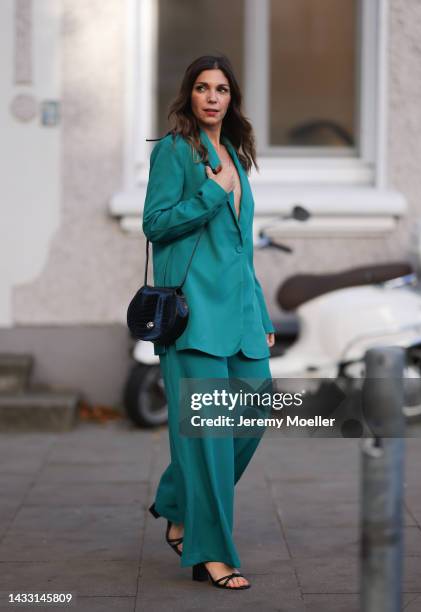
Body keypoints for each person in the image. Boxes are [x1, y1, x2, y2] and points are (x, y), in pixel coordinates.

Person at [143, 54, 275, 590]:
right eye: (202, 88)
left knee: (257, 405)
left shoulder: (236, 156)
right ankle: (211, 552)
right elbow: (155, 224)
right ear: (189, 96)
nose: (212, 97)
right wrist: (211, 191)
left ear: (232, 98)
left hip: (240, 314)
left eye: (221, 88)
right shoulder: (176, 151)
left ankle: (177, 502)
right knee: (210, 434)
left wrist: (260, 311)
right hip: (193, 316)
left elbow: (242, 250)